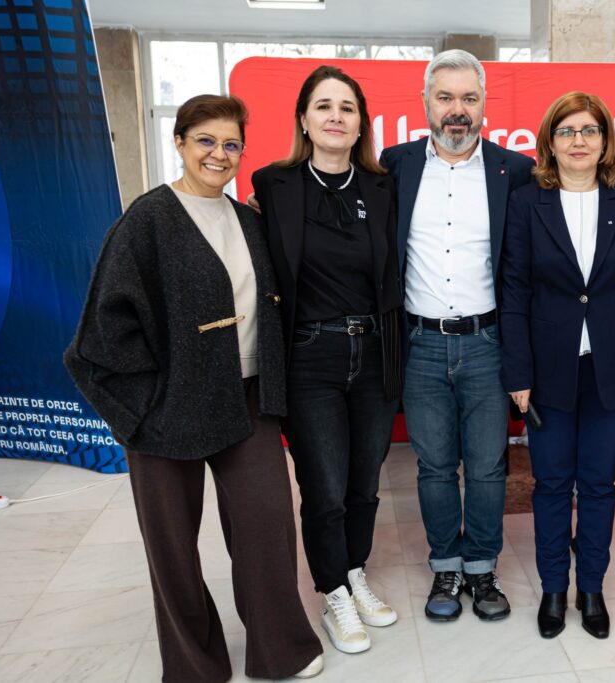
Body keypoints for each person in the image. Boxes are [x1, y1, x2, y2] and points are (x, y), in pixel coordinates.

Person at [64, 94, 324, 680]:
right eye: (205, 140)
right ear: (179, 142)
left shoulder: (249, 221)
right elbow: (101, 332)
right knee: (173, 548)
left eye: (231, 144)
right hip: (168, 406)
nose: (219, 154)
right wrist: (143, 406)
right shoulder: (146, 221)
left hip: (248, 397)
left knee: (267, 527)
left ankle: (280, 649)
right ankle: (193, 665)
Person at [378, 49, 535, 622]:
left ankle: (482, 568)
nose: (457, 110)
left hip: (488, 344)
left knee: (489, 467)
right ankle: (446, 565)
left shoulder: (515, 171)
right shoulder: (394, 165)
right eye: (445, 97)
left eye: (469, 98)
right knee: (435, 467)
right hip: (419, 345)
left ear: (484, 103)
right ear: (425, 102)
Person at [500, 92, 615, 640]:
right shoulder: (526, 202)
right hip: (547, 371)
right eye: (566, 131)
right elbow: (514, 291)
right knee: (550, 484)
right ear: (550, 141)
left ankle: (590, 588)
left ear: (605, 140)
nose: (578, 141)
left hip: (612, 367)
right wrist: (517, 373)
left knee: (597, 485)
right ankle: (554, 589)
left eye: (589, 130)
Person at [251, 65, 403, 655]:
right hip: (309, 356)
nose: (336, 116)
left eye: (347, 107)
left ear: (361, 123)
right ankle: (332, 590)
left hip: (375, 353)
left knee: (365, 483)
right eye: (324, 106)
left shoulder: (383, 189)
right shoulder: (272, 185)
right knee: (325, 487)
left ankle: (354, 570)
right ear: (304, 120)